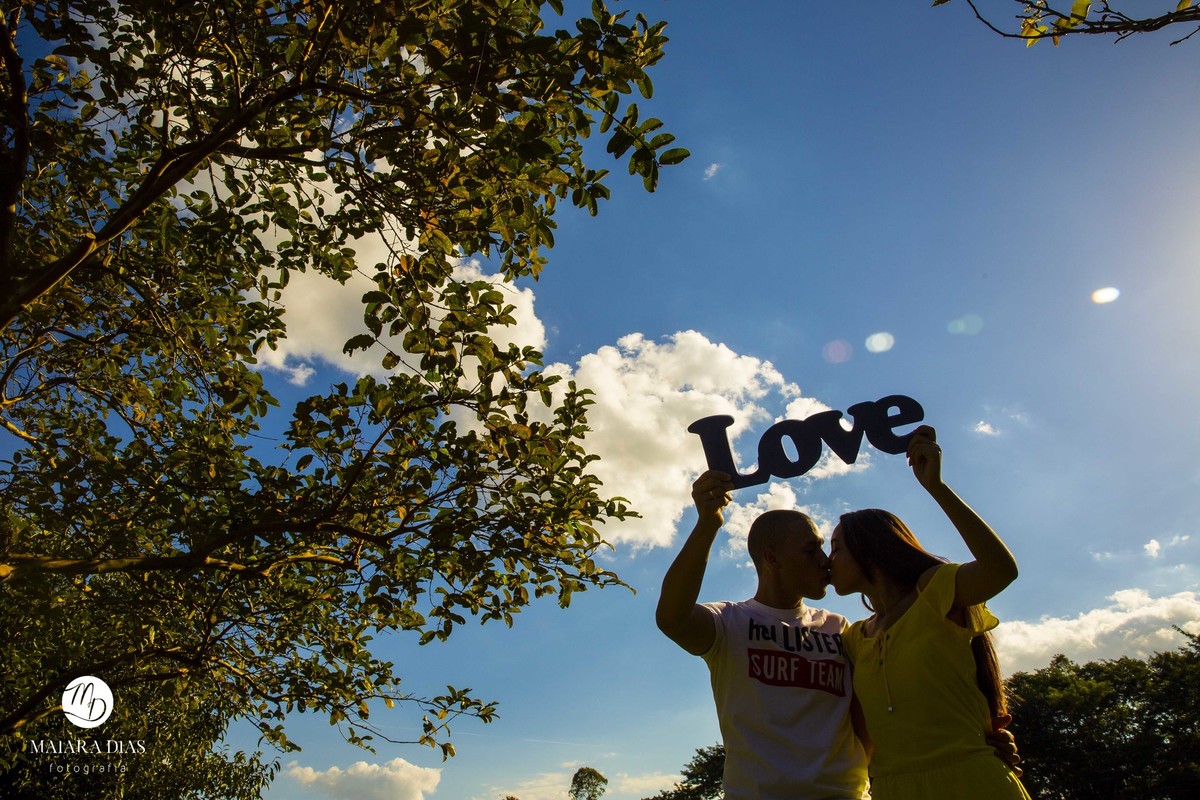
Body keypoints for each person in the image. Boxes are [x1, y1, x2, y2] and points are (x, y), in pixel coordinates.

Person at [828, 425, 1031, 800]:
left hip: (972, 783)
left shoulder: (937, 592)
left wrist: (936, 486)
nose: (829, 561)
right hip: (892, 789)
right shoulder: (854, 639)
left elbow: (1001, 570)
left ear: (869, 549)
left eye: (836, 548)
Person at [656, 471, 870, 800]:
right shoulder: (729, 622)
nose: (825, 561)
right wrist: (707, 524)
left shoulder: (841, 629)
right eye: (810, 550)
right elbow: (671, 618)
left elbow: (864, 723)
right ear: (772, 558)